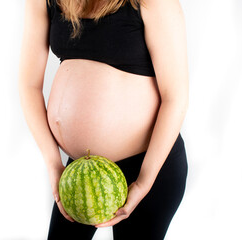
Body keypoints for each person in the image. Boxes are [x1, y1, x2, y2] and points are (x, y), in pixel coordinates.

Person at [18, 0, 189, 239]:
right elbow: (29, 86)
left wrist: (143, 182)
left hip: (149, 165)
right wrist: (53, 163)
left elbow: (175, 98)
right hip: (80, 171)